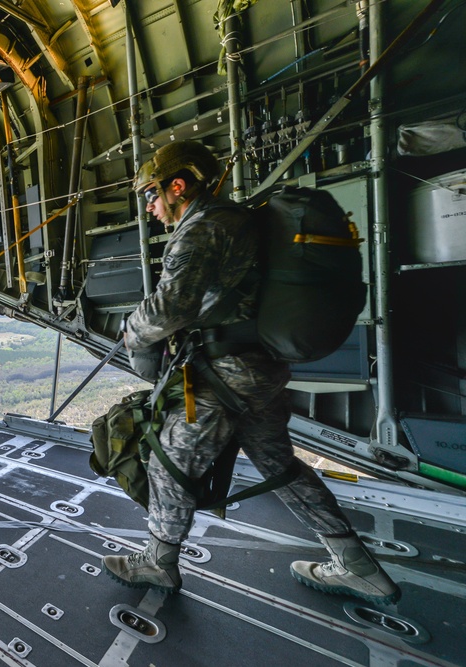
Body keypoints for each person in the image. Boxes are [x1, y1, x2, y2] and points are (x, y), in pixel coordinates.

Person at [103, 141, 400, 605]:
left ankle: (158, 563)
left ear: (177, 186)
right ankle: (356, 566)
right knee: (281, 469)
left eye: (151, 194)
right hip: (260, 371)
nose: (150, 205)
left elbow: (170, 308)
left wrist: (130, 333)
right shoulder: (239, 219)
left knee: (167, 461)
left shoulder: (202, 227)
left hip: (224, 377)